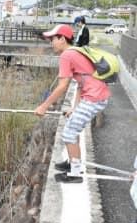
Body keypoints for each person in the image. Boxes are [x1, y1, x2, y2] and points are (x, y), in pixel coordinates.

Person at [34, 24, 111, 183]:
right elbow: (81, 83)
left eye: (53, 39)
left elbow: (62, 86)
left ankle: (75, 174)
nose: (51, 43)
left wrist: (43, 106)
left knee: (69, 132)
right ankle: (72, 162)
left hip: (93, 98)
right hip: (96, 95)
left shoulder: (66, 56)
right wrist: (74, 108)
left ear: (62, 39)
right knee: (71, 127)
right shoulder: (75, 52)